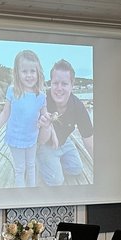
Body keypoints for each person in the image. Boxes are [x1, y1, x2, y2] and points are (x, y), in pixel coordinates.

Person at [38, 58, 95, 186]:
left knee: (76, 169)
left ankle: (56, 162)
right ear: (51, 83)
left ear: (71, 85)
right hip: (45, 143)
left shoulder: (78, 106)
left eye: (64, 84)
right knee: (56, 181)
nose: (59, 88)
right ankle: (42, 162)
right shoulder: (42, 101)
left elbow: (89, 140)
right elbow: (41, 140)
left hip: (64, 140)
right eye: (55, 83)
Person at [0, 49, 47, 187]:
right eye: (24, 71)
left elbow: (45, 116)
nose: (29, 75)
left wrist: (46, 120)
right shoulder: (12, 91)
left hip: (32, 139)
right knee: (20, 169)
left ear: (38, 73)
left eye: (32, 71)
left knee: (31, 166)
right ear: (17, 73)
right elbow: (4, 114)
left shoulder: (41, 96)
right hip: (15, 138)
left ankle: (31, 193)